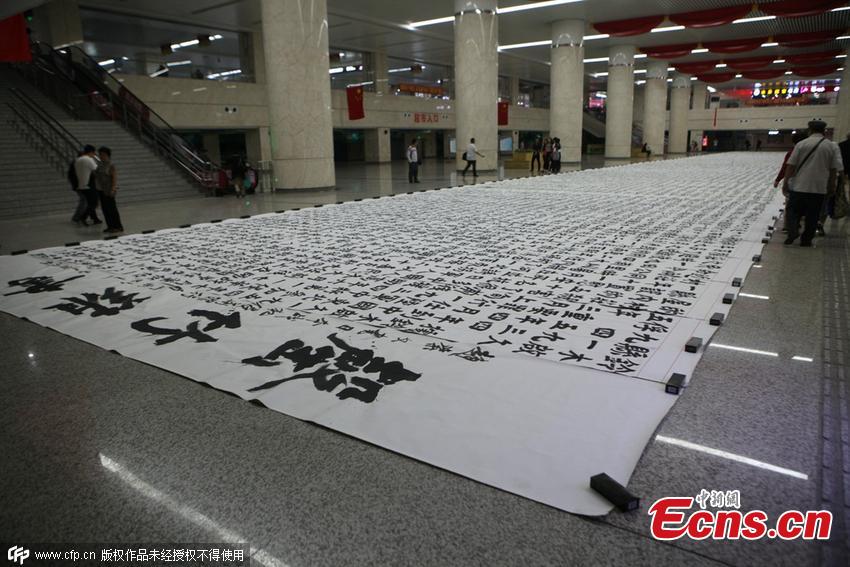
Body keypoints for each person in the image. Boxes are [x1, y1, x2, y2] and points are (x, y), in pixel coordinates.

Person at [782, 120, 842, 247]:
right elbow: (833, 169)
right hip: (819, 187)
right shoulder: (830, 146)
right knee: (813, 214)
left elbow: (791, 165)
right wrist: (832, 185)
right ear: (824, 131)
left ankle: (792, 231)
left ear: (809, 130)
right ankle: (806, 239)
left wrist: (786, 181)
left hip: (800, 185)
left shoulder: (801, 144)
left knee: (793, 210)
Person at [774, 131, 808, 232]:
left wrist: (779, 180)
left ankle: (787, 226)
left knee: (790, 204)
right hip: (809, 183)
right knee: (805, 204)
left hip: (794, 182)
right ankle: (799, 224)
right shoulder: (814, 150)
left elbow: (786, 167)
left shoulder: (793, 152)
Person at [95, 146, 123, 234]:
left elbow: (114, 178)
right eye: (100, 154)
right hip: (100, 190)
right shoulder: (99, 165)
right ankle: (110, 226)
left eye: (103, 154)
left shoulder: (111, 165)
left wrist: (113, 189)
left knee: (112, 209)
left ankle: (117, 226)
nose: (101, 156)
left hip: (109, 190)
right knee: (105, 209)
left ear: (107, 155)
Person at [72, 145, 101, 226]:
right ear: (91, 152)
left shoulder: (78, 160)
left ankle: (91, 218)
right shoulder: (89, 159)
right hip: (89, 185)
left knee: (89, 203)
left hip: (81, 185)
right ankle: (83, 218)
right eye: (93, 153)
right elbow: (97, 169)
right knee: (94, 203)